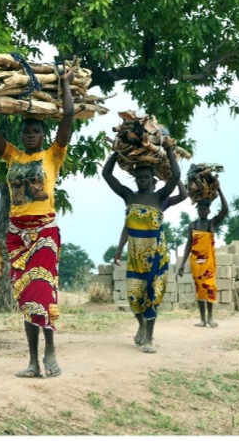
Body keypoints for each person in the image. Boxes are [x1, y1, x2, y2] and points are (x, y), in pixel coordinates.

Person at [0, 67, 74, 379]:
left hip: (44, 233)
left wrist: (65, 84)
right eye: (25, 132)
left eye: (35, 131)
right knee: (26, 297)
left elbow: (68, 117)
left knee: (42, 292)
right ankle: (33, 361)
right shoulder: (12, 156)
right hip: (17, 236)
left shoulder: (53, 156)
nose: (29, 135)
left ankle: (51, 351)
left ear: (43, 135)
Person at [102, 143, 181, 353]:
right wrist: (116, 151)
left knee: (152, 295)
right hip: (135, 255)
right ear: (135, 179)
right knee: (134, 296)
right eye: (139, 177)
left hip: (156, 255)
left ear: (152, 179)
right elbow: (107, 175)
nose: (143, 180)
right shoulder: (129, 196)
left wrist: (170, 151)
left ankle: (149, 340)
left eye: (146, 177)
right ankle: (141, 324)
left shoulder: (159, 197)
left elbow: (175, 177)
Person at [177, 189, 229, 328]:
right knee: (200, 289)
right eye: (200, 209)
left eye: (204, 209)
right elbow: (188, 245)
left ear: (208, 211)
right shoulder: (192, 225)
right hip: (196, 263)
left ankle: (210, 318)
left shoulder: (212, 223)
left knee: (210, 287)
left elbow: (225, 210)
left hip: (209, 263)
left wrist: (219, 190)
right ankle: (202, 319)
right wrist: (182, 264)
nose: (202, 211)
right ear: (197, 210)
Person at [112, 179, 188, 266]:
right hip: (137, 249)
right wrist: (119, 249)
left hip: (156, 248)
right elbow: (127, 227)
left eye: (151, 185)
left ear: (154, 187)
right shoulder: (135, 204)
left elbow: (183, 195)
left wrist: (176, 178)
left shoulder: (160, 201)